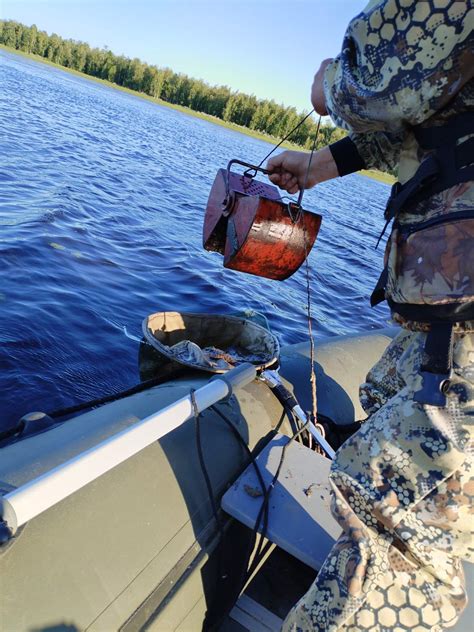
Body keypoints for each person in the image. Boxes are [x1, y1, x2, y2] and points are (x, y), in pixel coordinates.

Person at [266, 1, 474, 630]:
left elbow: (380, 77)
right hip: (448, 324)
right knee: (384, 389)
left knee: (398, 531)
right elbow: (435, 120)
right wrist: (317, 166)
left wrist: (329, 80)